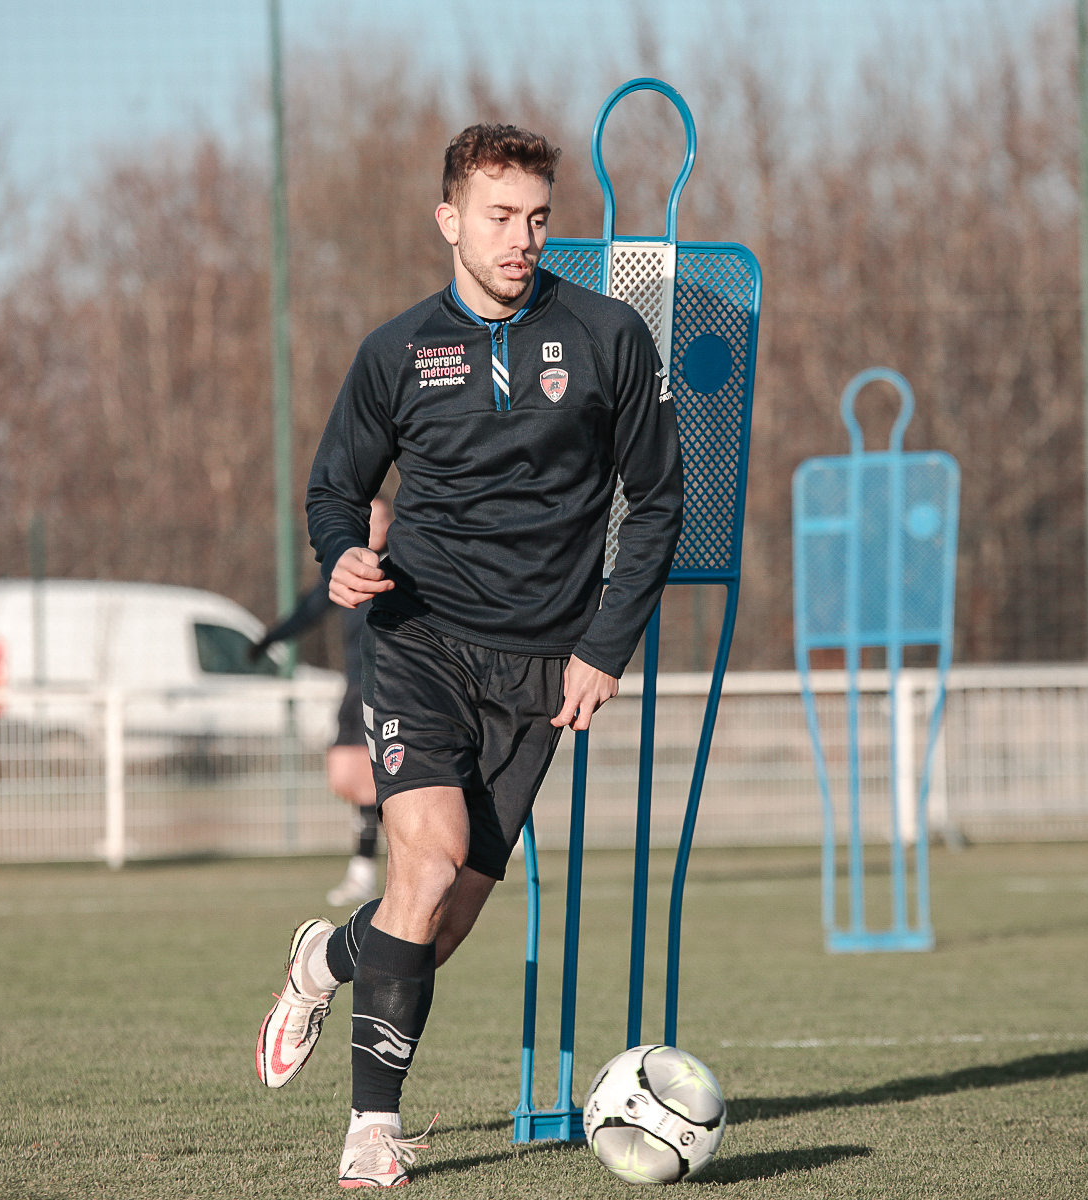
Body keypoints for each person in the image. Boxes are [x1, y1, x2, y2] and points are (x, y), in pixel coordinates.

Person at [256, 122, 682, 1188]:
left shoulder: (608, 336)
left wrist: (603, 648)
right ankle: (370, 1132)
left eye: (538, 217)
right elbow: (331, 489)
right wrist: (343, 552)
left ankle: (323, 960)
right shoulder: (395, 351)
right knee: (427, 860)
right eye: (499, 216)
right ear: (449, 219)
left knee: (431, 931)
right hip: (421, 644)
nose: (521, 237)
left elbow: (659, 500)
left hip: (545, 669)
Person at [253, 498, 393, 908]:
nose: (373, 524)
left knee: (377, 784)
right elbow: (311, 608)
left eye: (381, 517)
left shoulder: (404, 566)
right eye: (366, 517)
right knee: (348, 779)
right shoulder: (348, 569)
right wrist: (270, 638)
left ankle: (365, 871)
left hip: (392, 689)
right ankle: (373, 864)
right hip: (354, 688)